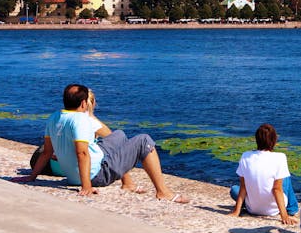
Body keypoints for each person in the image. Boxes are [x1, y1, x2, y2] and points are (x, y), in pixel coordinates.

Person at [15, 84, 188, 203]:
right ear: (84, 103)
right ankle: (163, 192)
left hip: (73, 175)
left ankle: (128, 183)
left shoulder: (54, 118)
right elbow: (82, 153)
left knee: (119, 135)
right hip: (98, 175)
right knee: (144, 140)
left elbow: (46, 152)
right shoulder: (81, 120)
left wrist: (32, 177)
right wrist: (87, 186)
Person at [229, 124, 298, 225]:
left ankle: (244, 206)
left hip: (252, 209)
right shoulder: (280, 157)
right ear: (274, 140)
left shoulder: (245, 156)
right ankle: (292, 209)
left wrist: (236, 212)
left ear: (257, 140)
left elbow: (243, 187)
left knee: (235, 189)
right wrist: (284, 216)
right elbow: (276, 189)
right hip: (273, 210)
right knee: (285, 177)